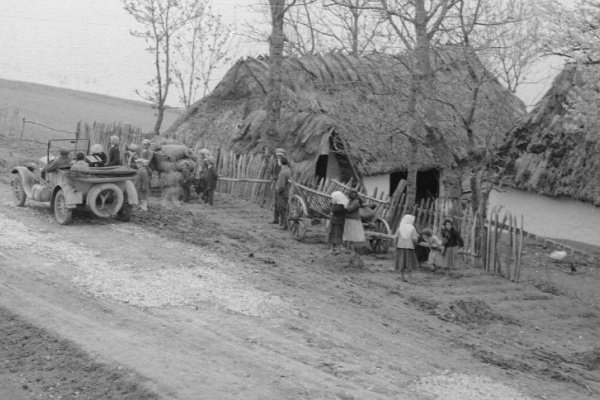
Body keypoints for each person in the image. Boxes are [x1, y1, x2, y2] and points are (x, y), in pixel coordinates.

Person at [394, 214, 419, 282]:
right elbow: (415, 239)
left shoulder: (400, 228)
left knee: (401, 262)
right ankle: (410, 278)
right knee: (409, 262)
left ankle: (402, 278)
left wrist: (396, 245)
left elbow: (395, 237)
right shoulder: (412, 228)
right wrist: (414, 245)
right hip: (409, 248)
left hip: (400, 247)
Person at [269, 148, 286, 224]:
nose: (279, 156)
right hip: (276, 183)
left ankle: (283, 220)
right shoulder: (274, 162)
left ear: (283, 155)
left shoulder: (286, 162)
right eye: (277, 155)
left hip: (283, 184)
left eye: (280, 155)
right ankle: (276, 219)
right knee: (276, 201)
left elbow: (288, 172)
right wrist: (272, 179)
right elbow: (271, 171)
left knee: (281, 203)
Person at [275, 156, 292, 230]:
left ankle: (284, 225)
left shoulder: (282, 172)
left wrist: (277, 190)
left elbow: (281, 186)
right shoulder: (289, 170)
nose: (278, 162)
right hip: (287, 191)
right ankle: (284, 223)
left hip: (282, 193)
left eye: (279, 161)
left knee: (281, 208)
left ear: (281, 163)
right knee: (285, 208)